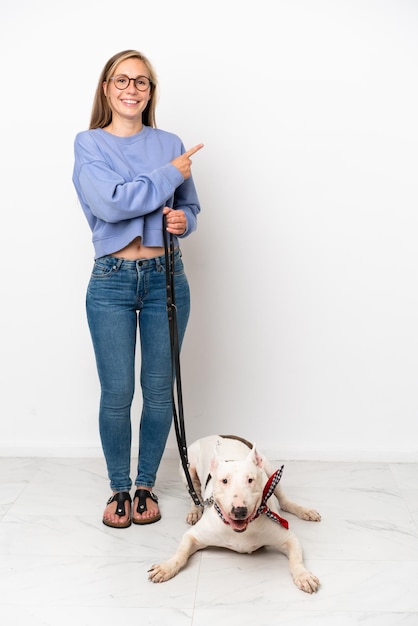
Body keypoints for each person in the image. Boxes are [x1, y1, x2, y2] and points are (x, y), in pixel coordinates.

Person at [72, 49, 203, 528]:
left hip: (166, 275)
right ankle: (118, 489)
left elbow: (190, 208)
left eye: (142, 82)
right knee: (117, 393)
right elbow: (110, 205)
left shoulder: (169, 140)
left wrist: (179, 219)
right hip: (111, 280)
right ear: (107, 88)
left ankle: (145, 484)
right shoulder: (89, 143)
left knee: (157, 390)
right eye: (122, 80)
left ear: (151, 92)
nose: (132, 89)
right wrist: (168, 175)